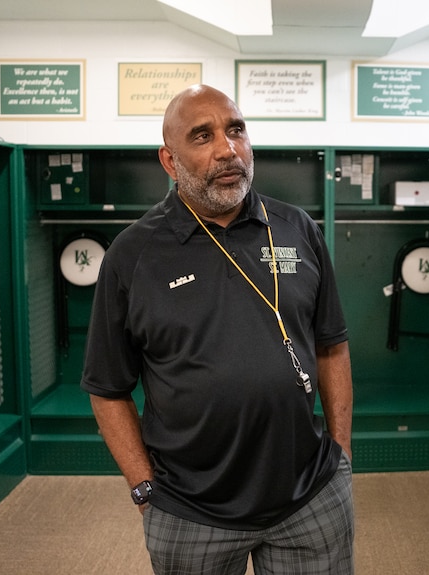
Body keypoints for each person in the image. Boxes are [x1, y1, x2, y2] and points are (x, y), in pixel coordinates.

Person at [81, 84, 354, 575]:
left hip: (310, 495)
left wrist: (342, 455)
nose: (228, 150)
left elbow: (332, 346)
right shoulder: (132, 254)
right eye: (202, 136)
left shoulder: (297, 229)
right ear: (169, 161)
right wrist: (144, 487)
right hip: (191, 512)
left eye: (236, 131)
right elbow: (107, 388)